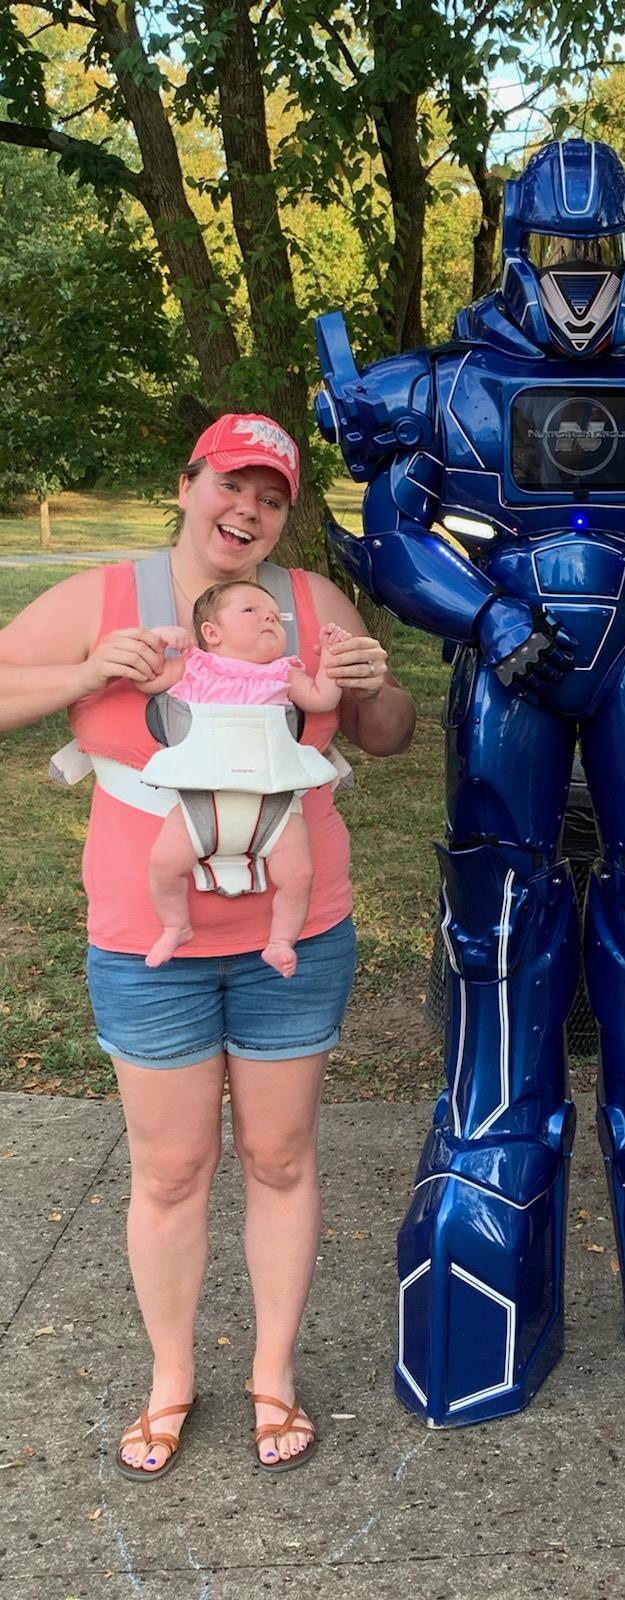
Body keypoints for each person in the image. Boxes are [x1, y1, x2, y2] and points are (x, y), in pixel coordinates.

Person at [314, 138, 625, 1425]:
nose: (579, 284)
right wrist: (484, 621)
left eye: (597, 258)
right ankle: (491, 1132)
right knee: (492, 921)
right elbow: (389, 534)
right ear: (520, 253)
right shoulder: (449, 381)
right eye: (558, 257)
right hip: (510, 660)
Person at [0, 413, 415, 1477]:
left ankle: (273, 1372)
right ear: (186, 485)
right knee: (173, 1169)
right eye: (232, 486)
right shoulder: (107, 599)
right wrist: (89, 669)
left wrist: (372, 682)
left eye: (272, 497)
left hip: (294, 931)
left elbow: (388, 734)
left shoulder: (310, 602)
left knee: (280, 1157)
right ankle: (171, 1376)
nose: (250, 511)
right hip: (153, 939)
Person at [137, 584, 350, 975]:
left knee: (298, 873)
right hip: (201, 805)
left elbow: (322, 699)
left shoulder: (286, 672)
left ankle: (281, 941)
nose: (270, 616)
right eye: (251, 610)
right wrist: (158, 641)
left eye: (275, 613)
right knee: (164, 862)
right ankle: (176, 925)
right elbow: (146, 681)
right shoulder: (192, 666)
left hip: (274, 810)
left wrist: (333, 662)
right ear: (211, 633)